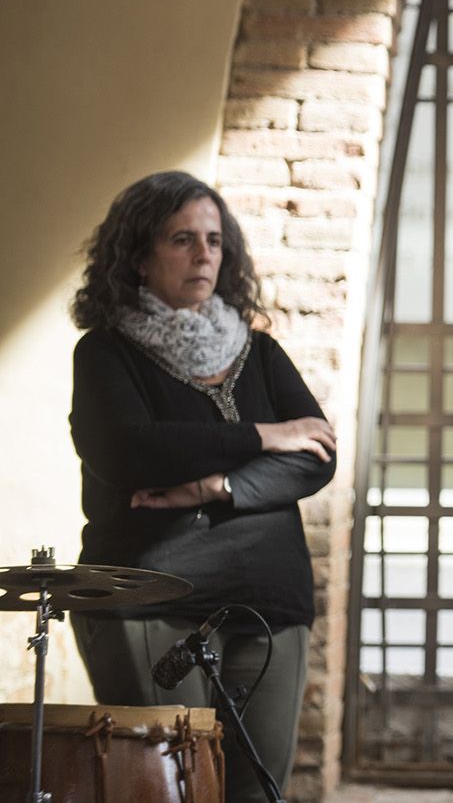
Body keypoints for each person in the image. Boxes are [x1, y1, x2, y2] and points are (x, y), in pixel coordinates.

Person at [68, 170, 337, 803]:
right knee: (170, 793)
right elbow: (131, 451)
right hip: (149, 595)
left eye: (214, 240)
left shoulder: (259, 351)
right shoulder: (105, 353)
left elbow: (317, 457)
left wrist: (211, 487)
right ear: (138, 256)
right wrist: (260, 436)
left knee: (255, 792)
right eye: (182, 239)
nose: (204, 255)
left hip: (268, 602)